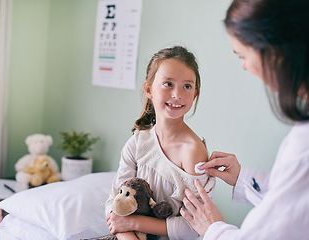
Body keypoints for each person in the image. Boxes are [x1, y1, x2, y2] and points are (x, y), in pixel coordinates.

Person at [180, 0, 309, 239]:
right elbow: (294, 203)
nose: (244, 67)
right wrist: (242, 178)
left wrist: (214, 228)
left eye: (243, 55)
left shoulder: (304, 145)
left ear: (275, 53)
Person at [105, 46, 215, 240]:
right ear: (149, 89)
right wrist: (127, 232)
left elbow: (194, 227)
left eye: (187, 86)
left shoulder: (193, 153)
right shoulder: (138, 143)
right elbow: (115, 205)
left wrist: (134, 222)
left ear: (195, 94)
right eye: (168, 84)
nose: (177, 94)